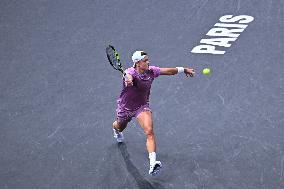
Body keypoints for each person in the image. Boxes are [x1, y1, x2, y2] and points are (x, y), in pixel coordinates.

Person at [112, 50, 195, 175]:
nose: (148, 62)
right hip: (125, 108)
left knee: (149, 131)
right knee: (119, 126)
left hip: (141, 107)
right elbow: (128, 77)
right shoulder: (130, 72)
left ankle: (153, 163)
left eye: (147, 60)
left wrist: (183, 69)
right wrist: (128, 79)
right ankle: (116, 130)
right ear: (137, 63)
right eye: (145, 60)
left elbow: (168, 71)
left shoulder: (151, 71)